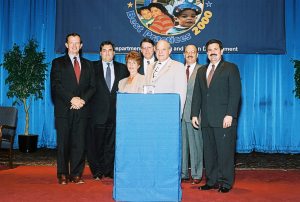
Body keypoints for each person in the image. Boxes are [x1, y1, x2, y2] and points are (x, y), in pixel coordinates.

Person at [191, 39, 241, 193]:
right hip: (206, 119)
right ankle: (211, 181)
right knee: (210, 153)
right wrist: (194, 114)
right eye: (209, 50)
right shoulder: (201, 71)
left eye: (215, 49)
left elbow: (235, 94)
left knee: (225, 152)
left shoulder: (231, 68)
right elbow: (197, 94)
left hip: (223, 119)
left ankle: (226, 183)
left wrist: (230, 115)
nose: (212, 52)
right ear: (206, 53)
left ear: (222, 51)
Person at [50, 33, 96, 185]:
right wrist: (72, 98)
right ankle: (62, 174)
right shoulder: (57, 63)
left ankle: (76, 174)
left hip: (82, 109)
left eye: (77, 43)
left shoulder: (89, 64)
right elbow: (56, 86)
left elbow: (92, 87)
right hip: (64, 109)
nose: (74, 46)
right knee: (63, 143)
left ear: (81, 45)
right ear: (66, 45)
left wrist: (82, 100)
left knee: (79, 143)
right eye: (71, 43)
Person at [87, 41, 129, 182]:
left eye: (110, 50)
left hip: (115, 114)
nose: (107, 53)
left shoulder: (123, 69)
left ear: (114, 53)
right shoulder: (91, 67)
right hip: (96, 114)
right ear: (100, 53)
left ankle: (109, 170)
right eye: (104, 50)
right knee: (96, 145)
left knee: (111, 145)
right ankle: (97, 171)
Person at [145, 39, 187, 115]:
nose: (160, 52)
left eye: (163, 49)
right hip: (150, 112)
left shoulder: (178, 67)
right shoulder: (150, 67)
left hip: (168, 113)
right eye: (158, 49)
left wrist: (177, 116)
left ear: (170, 50)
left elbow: (181, 95)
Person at [181, 44, 203, 184]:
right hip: (179, 114)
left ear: (197, 54)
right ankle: (183, 173)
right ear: (183, 54)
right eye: (187, 52)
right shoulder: (178, 69)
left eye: (192, 52)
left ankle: (196, 173)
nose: (190, 54)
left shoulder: (202, 70)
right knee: (182, 145)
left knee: (196, 145)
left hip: (195, 114)